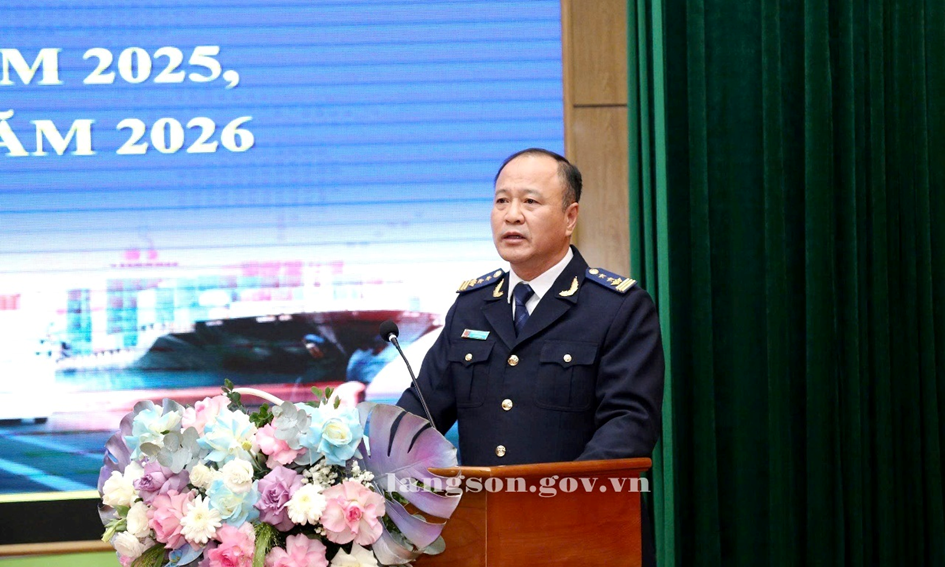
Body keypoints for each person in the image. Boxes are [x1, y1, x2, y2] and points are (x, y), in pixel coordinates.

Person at [397, 148, 664, 562]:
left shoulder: (617, 308)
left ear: (570, 217)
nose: (512, 215)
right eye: (501, 201)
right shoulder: (471, 306)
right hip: (481, 538)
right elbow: (421, 412)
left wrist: (554, 502)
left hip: (582, 536)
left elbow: (629, 425)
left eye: (530, 201)